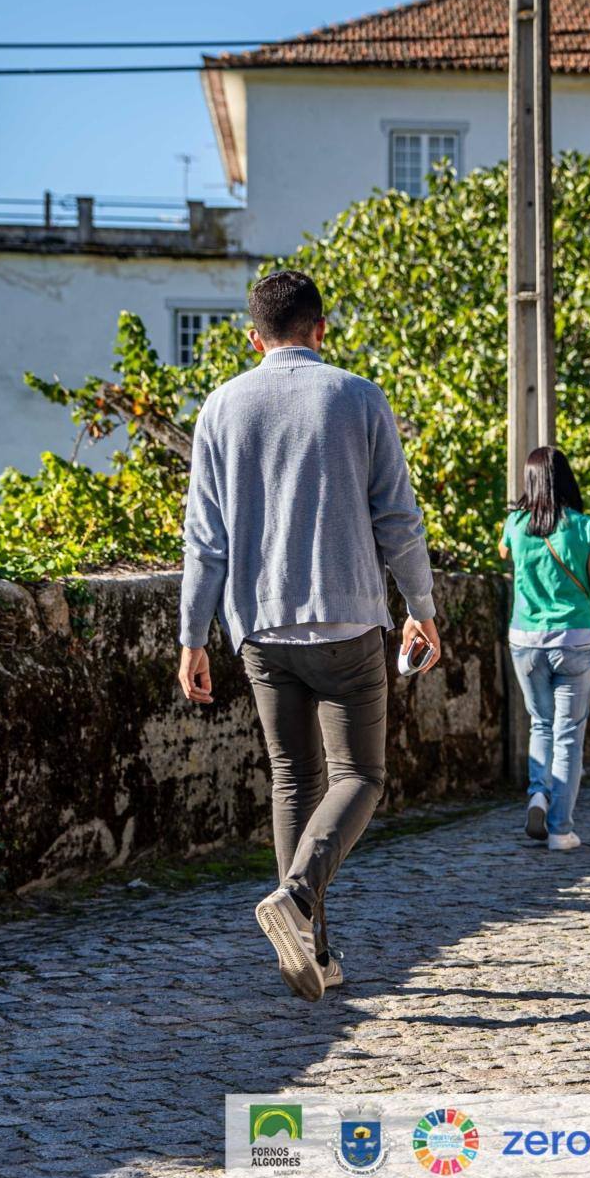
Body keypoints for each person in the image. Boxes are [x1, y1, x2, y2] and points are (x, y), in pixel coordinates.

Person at [177, 269, 441, 1005]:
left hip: (259, 625)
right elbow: (398, 517)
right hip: (349, 616)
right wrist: (420, 604)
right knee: (360, 776)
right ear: (321, 329)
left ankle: (314, 951)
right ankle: (295, 903)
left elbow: (206, 539)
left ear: (253, 337)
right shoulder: (358, 396)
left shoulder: (221, 406)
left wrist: (192, 636)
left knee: (295, 779)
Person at [498, 447, 590, 852]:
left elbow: (504, 552)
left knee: (540, 723)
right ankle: (560, 830)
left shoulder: (515, 524)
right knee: (569, 734)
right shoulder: (585, 527)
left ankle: (537, 794)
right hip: (576, 641)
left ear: (530, 482)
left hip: (525, 640)